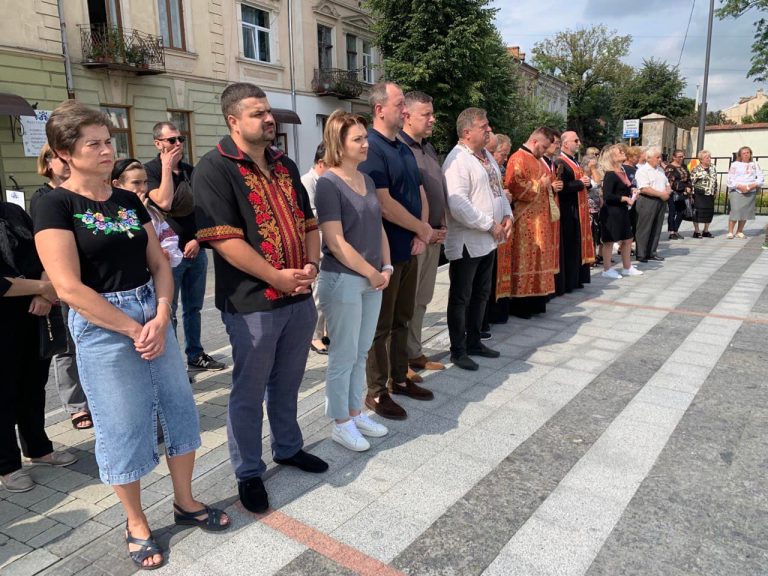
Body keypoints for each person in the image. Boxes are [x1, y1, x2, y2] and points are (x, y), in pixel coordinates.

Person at [35, 100, 229, 570]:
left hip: (150, 310)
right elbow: (67, 287)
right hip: (103, 324)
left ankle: (185, 502)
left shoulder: (125, 199)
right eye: (94, 144)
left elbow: (159, 261)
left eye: (109, 141)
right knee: (123, 426)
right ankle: (136, 522)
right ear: (64, 153)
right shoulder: (54, 204)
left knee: (179, 411)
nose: (107, 151)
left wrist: (161, 315)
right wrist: (133, 328)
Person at [193, 83, 328, 514]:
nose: (269, 119)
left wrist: (311, 266)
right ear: (233, 121)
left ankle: (288, 447)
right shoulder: (214, 168)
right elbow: (224, 241)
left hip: (298, 296)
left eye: (268, 111)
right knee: (249, 392)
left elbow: (308, 223)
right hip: (252, 302)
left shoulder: (284, 163)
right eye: (258, 113)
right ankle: (248, 471)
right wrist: (276, 277)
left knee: (288, 382)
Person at [315, 110, 391, 452]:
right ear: (339, 144)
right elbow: (335, 242)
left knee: (361, 351)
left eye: (365, 137)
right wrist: (372, 272)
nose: (365, 144)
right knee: (343, 355)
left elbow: (378, 226)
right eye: (357, 139)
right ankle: (340, 422)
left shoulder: (367, 180)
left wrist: (386, 266)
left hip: (372, 279)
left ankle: (355, 412)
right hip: (344, 279)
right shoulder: (328, 184)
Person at [359, 82, 435, 421]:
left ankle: (400, 377)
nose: (405, 110)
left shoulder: (402, 147)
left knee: (403, 318)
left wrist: (422, 231)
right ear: (379, 110)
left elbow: (419, 192)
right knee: (381, 325)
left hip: (410, 247)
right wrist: (421, 229)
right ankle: (377, 392)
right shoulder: (371, 148)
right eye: (400, 103)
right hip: (385, 253)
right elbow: (383, 203)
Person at [1, 200, 77, 494]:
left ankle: (38, 448)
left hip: (34, 313)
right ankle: (7, 465)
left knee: (33, 385)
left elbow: (46, 253)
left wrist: (45, 294)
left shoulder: (12, 212)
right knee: (3, 394)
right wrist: (44, 288)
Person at [145, 122, 224, 372]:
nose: (178, 144)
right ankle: (173, 364)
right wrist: (167, 167)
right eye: (171, 140)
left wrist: (198, 239)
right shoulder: (150, 171)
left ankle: (195, 355)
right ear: (158, 143)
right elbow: (164, 203)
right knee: (168, 310)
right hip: (167, 256)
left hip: (195, 251)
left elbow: (204, 209)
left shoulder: (191, 171)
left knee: (194, 308)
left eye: (180, 139)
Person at [443, 107, 512, 371]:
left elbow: (498, 191)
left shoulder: (486, 156)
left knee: (481, 294)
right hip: (468, 242)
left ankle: (474, 341)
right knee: (461, 297)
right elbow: (458, 205)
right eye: (484, 126)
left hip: (488, 240)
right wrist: (490, 224)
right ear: (467, 131)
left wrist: (507, 216)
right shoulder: (458, 160)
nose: (489, 129)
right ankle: (458, 350)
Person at [29, 143, 92, 431]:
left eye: (70, 157)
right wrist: (46, 289)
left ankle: (92, 396)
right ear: (47, 163)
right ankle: (76, 405)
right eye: (60, 158)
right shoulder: (44, 198)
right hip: (61, 280)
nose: (67, 163)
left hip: (88, 279)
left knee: (88, 341)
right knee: (66, 347)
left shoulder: (81, 192)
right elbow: (43, 247)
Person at [399, 91, 447, 383]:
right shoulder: (400, 148)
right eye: (426, 114)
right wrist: (422, 229)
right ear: (406, 115)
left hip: (433, 236)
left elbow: (437, 189)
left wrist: (441, 225)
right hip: (412, 239)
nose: (432, 119)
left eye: (432, 113)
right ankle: (398, 359)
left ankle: (414, 352)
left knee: (422, 300)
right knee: (404, 303)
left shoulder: (427, 148)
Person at [496, 127, 559, 318]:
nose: (545, 151)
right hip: (525, 221)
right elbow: (515, 185)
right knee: (525, 260)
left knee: (538, 258)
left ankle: (536, 302)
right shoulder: (518, 158)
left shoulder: (538, 160)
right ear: (534, 142)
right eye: (544, 147)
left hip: (541, 219)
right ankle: (522, 305)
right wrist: (540, 184)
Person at [112, 159, 184, 268]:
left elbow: (170, 243)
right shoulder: (108, 212)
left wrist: (166, 253)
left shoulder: (152, 212)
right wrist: (137, 216)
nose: (143, 188)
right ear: (117, 184)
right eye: (136, 183)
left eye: (145, 182)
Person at [553, 131, 594, 295]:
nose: (579, 143)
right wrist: (580, 183)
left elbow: (581, 183)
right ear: (565, 144)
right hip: (567, 210)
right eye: (575, 141)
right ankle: (569, 281)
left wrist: (587, 183)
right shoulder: (559, 162)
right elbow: (561, 187)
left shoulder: (574, 161)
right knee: (570, 245)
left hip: (578, 208)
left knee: (577, 244)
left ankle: (577, 278)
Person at [302, 144, 330, 355]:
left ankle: (325, 332)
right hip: (317, 247)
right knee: (318, 294)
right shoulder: (307, 181)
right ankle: (314, 336)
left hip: (328, 245)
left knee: (327, 293)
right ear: (321, 163)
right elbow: (311, 216)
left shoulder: (325, 182)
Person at [598, 145, 642, 279]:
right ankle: (607, 269)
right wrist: (625, 198)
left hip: (622, 210)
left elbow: (625, 187)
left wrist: (633, 191)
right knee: (609, 241)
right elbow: (608, 196)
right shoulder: (610, 174)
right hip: (611, 212)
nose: (623, 153)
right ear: (612, 157)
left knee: (628, 239)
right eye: (620, 152)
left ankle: (627, 267)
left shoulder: (622, 170)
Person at [634, 146, 671, 263]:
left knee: (657, 227)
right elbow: (644, 188)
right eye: (657, 157)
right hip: (647, 200)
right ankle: (641, 253)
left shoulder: (660, 170)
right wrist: (661, 194)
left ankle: (652, 252)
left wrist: (667, 192)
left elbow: (667, 184)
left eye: (660, 157)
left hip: (661, 200)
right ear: (648, 158)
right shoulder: (642, 171)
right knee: (644, 228)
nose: (660, 159)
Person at [726, 146, 764, 239]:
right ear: (740, 155)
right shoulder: (735, 164)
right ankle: (730, 232)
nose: (746, 154)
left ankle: (739, 231)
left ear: (750, 154)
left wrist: (751, 186)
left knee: (745, 212)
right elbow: (730, 179)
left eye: (748, 153)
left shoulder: (755, 164)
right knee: (735, 211)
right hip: (737, 190)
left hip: (750, 190)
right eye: (744, 153)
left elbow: (761, 178)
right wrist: (740, 186)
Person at [664, 149, 692, 240]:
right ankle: (671, 232)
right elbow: (670, 181)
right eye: (679, 156)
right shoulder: (670, 167)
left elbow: (688, 178)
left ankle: (676, 230)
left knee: (682, 211)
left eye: (682, 156)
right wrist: (684, 187)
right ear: (674, 157)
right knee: (672, 211)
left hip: (683, 193)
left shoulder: (684, 166)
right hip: (673, 193)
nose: (681, 158)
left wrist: (689, 187)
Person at [690, 150, 718, 238]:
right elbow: (691, 182)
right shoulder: (696, 169)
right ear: (701, 159)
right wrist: (691, 195)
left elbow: (715, 180)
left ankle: (706, 231)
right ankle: (696, 231)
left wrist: (715, 191)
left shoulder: (713, 167)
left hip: (710, 194)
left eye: (709, 157)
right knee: (697, 212)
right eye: (707, 158)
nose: (709, 159)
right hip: (699, 194)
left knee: (709, 212)